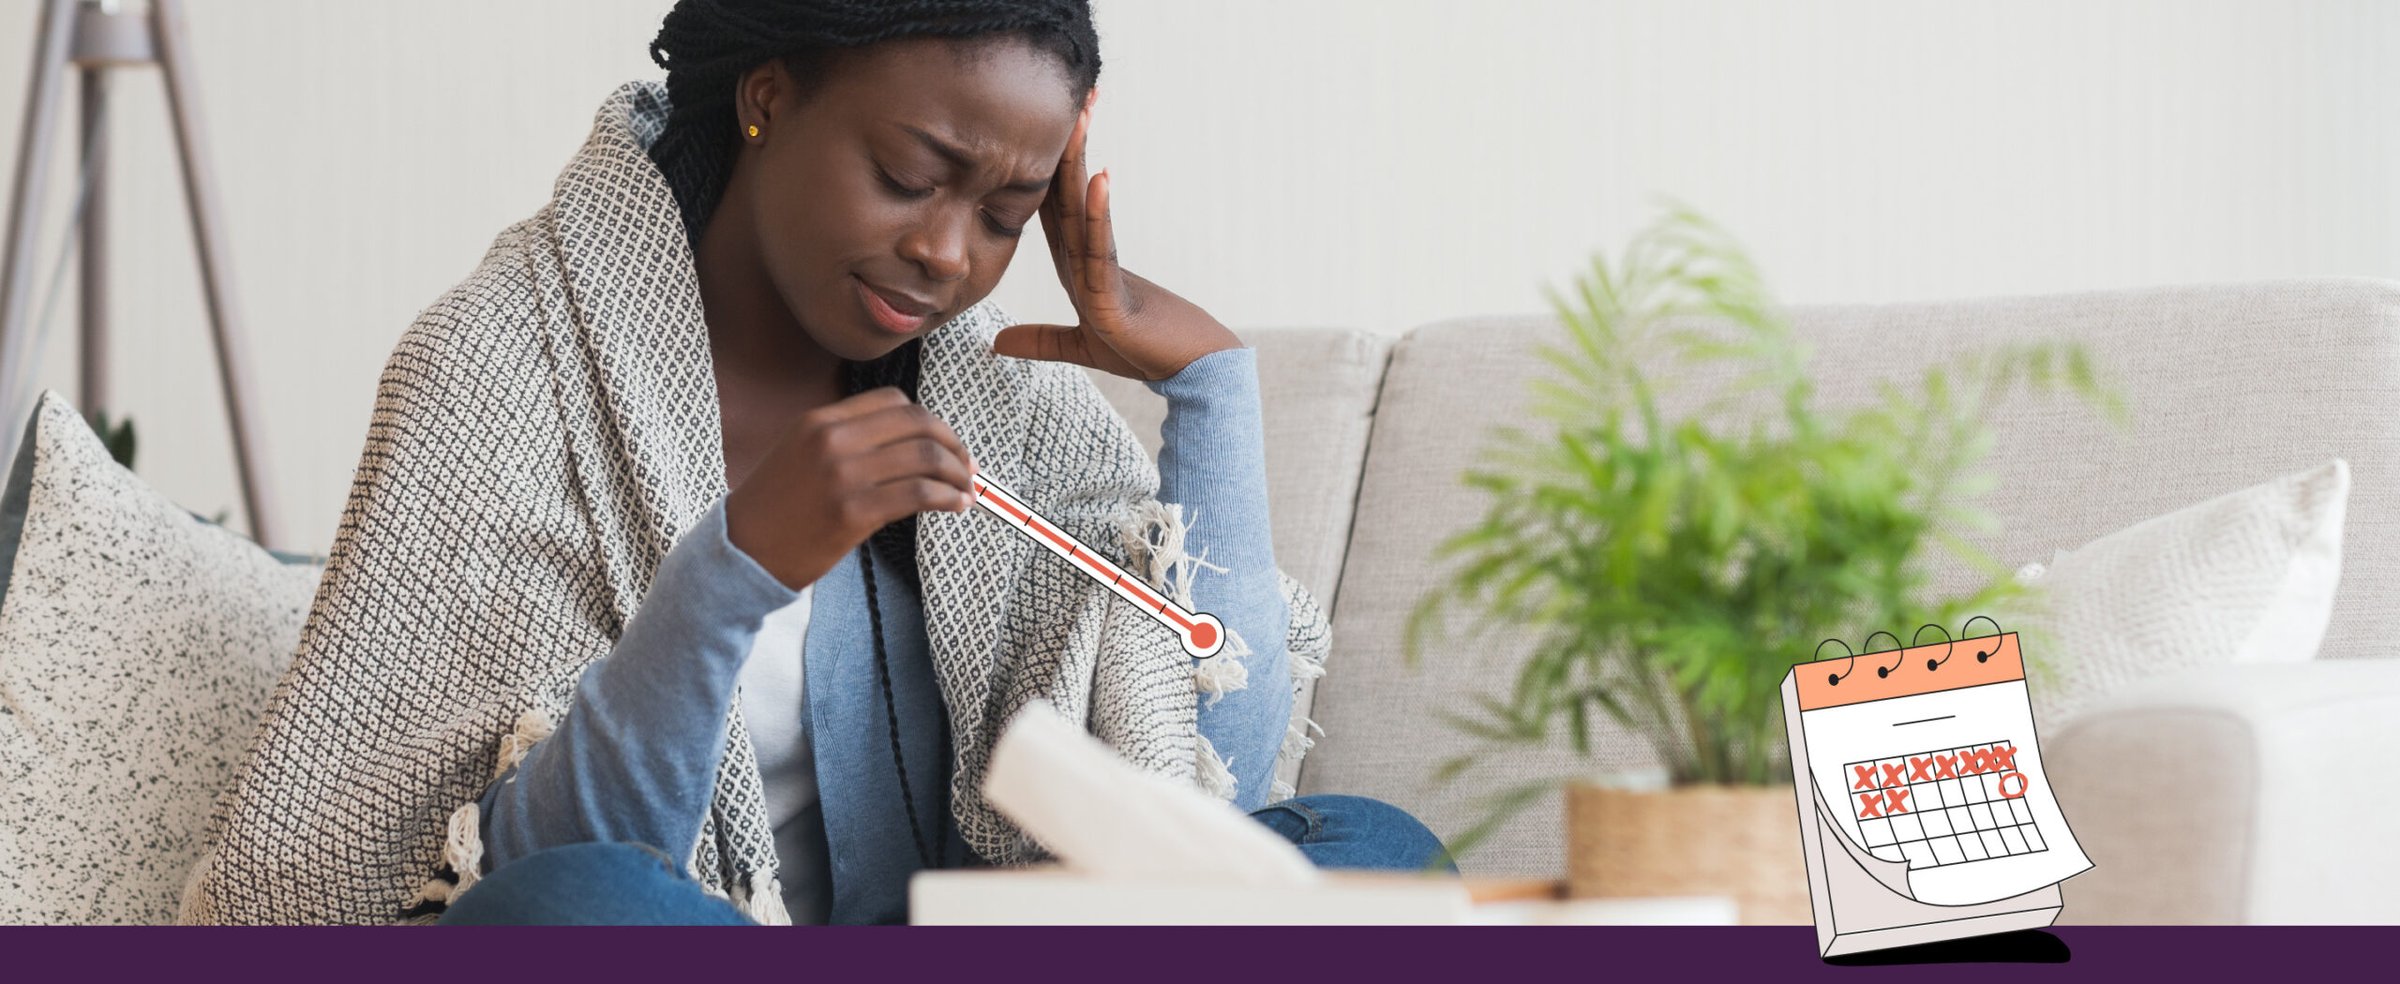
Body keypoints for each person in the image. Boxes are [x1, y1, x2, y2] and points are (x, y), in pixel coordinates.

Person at [178, 0, 1451, 927]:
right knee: (571, 913)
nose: (952, 255)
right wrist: (728, 574)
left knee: (1368, 852)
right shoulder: (500, 370)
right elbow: (466, 870)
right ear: (769, 95)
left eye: (1007, 213)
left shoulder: (1010, 408)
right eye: (910, 177)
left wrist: (1212, 393)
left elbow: (1201, 786)